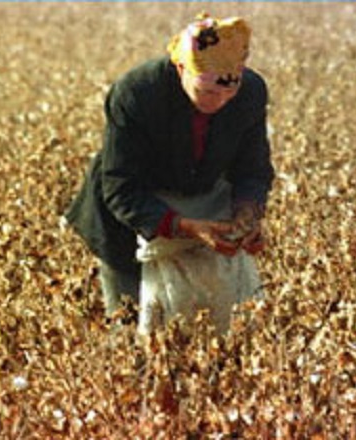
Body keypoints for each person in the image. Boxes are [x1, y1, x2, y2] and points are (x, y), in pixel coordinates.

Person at [65, 13, 274, 333]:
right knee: (132, 329)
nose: (217, 101)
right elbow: (121, 187)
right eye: (206, 92)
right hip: (130, 221)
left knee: (218, 333)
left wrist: (248, 214)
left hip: (203, 208)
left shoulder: (250, 93)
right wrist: (185, 226)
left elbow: (253, 168)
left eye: (227, 93)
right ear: (181, 69)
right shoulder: (137, 92)